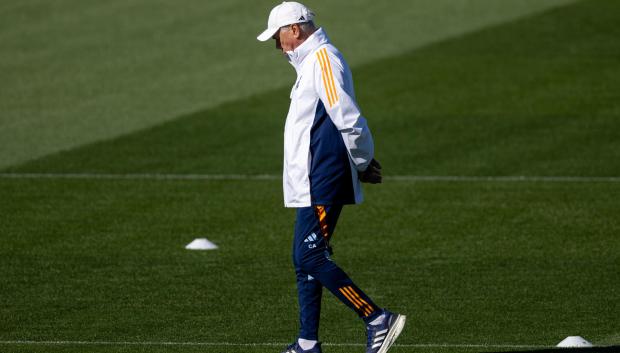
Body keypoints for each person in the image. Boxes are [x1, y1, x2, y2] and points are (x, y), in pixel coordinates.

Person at [257, 2, 406, 353]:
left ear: (295, 28)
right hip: (311, 179)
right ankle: (307, 342)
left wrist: (362, 161)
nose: (278, 46)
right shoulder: (310, 63)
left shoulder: (323, 59)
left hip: (323, 176)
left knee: (309, 257)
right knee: (303, 258)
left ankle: (376, 318)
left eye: (279, 37)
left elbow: (347, 116)